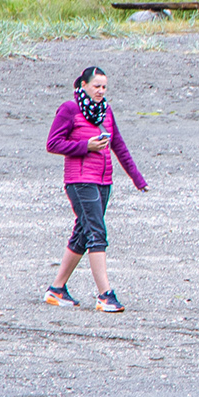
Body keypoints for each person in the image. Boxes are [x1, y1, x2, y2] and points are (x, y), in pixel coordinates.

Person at [44, 66, 147, 313]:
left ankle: (56, 289)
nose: (100, 91)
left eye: (104, 87)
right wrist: (85, 146)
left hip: (103, 182)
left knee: (82, 233)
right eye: (96, 86)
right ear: (84, 86)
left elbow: (118, 146)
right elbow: (53, 143)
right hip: (80, 182)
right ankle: (105, 295)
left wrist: (137, 178)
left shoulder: (106, 111)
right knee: (96, 234)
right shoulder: (69, 109)